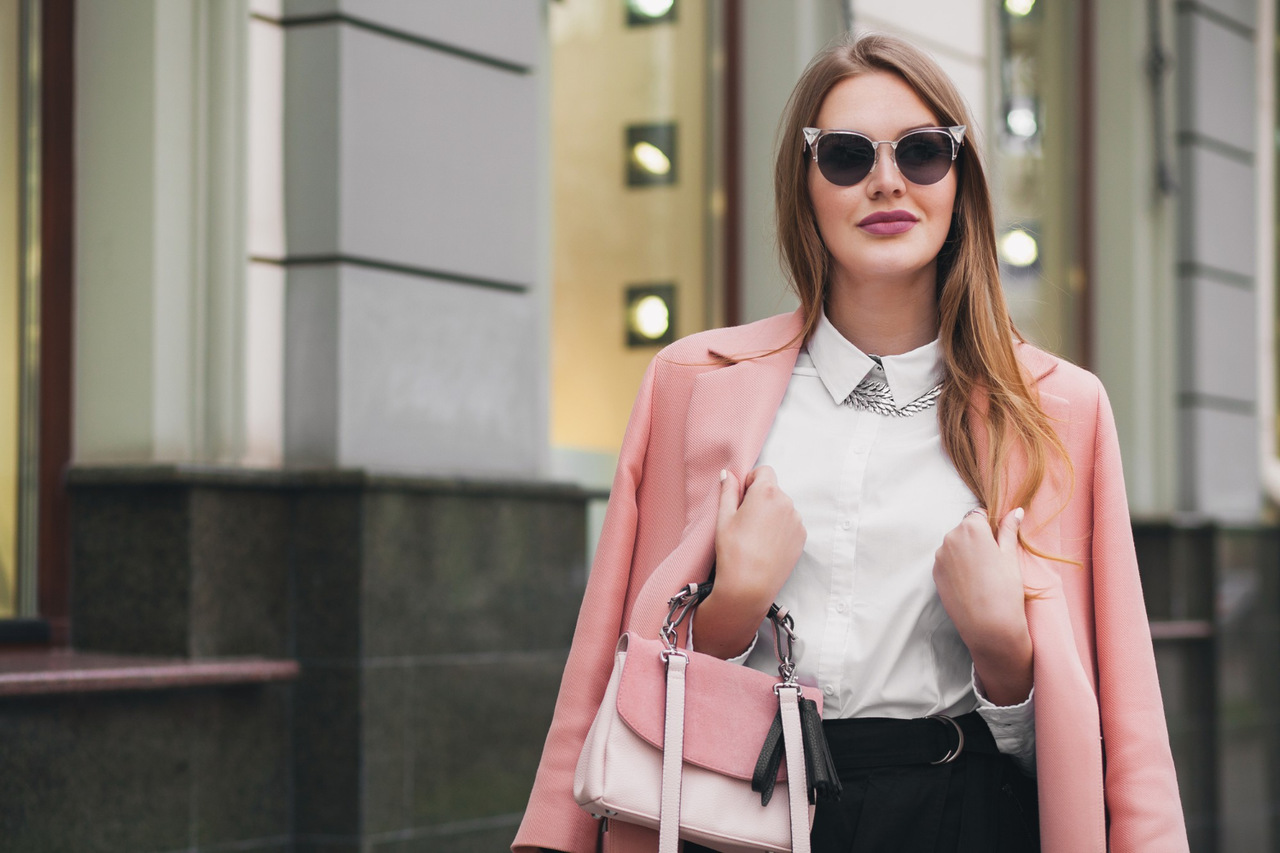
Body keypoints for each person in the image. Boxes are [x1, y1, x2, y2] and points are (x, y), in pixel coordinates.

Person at [514, 32, 1188, 853]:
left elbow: (1122, 719)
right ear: (805, 186)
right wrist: (727, 614)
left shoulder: (1060, 408)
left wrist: (1007, 660)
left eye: (923, 152)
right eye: (843, 155)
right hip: (737, 813)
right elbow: (603, 669)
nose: (886, 181)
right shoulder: (690, 383)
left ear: (960, 179)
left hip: (962, 817)